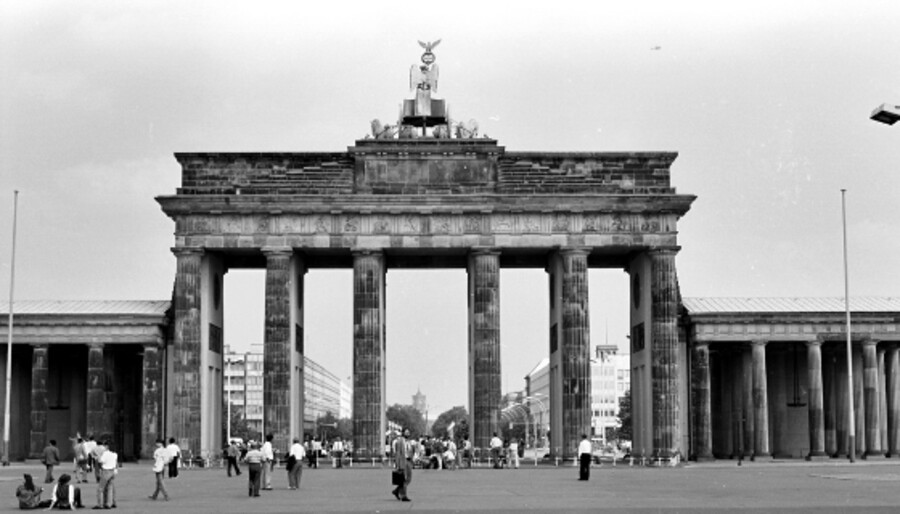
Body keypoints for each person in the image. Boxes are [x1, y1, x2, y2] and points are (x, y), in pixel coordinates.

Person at [391, 428, 412, 502]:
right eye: (406, 432)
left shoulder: (409, 441)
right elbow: (398, 453)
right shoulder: (400, 441)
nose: (408, 433)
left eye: (408, 432)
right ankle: (403, 496)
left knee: (409, 478)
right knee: (404, 479)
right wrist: (397, 464)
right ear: (403, 433)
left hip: (409, 461)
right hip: (403, 461)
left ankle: (397, 491)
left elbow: (410, 450)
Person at [95, 441, 117, 509]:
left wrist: (98, 457)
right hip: (112, 471)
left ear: (107, 446)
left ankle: (100, 504)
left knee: (100, 489)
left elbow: (101, 461)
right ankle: (109, 503)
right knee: (110, 488)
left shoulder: (105, 453)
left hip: (106, 470)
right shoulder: (115, 454)